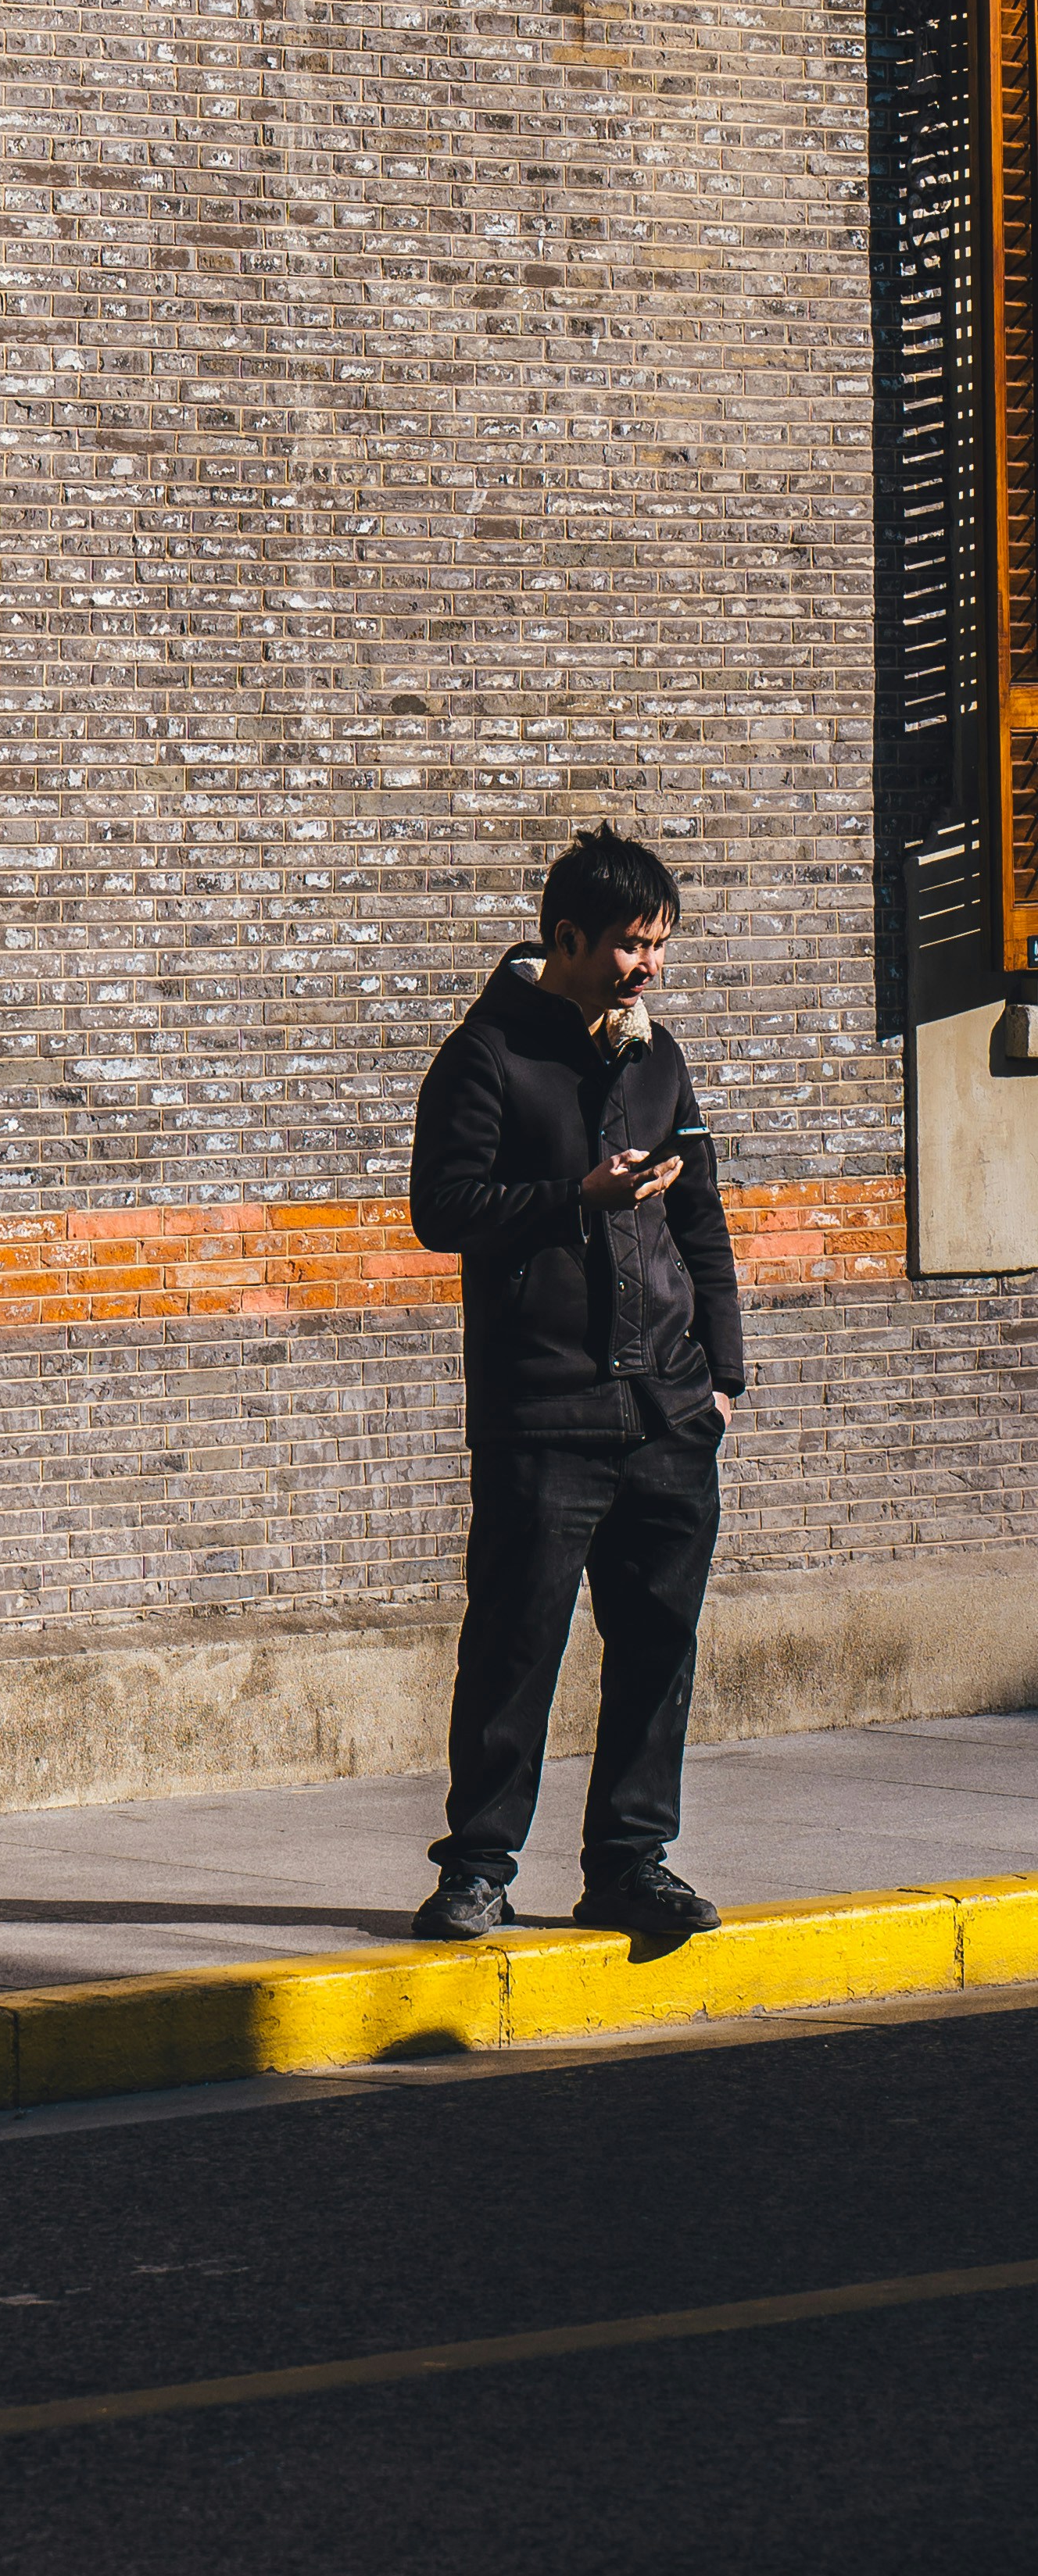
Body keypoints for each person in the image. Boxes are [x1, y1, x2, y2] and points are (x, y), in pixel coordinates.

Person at [407, 824, 747, 1946]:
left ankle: (629, 1862)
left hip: (666, 1407)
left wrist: (723, 1375)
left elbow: (698, 1220)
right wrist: (573, 1197)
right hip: (542, 1407)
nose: (646, 966)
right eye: (629, 945)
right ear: (566, 937)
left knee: (657, 1643)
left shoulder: (659, 1057)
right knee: (515, 1643)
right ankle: (476, 1867)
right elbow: (441, 1210)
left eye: (658, 945)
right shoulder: (484, 1058)